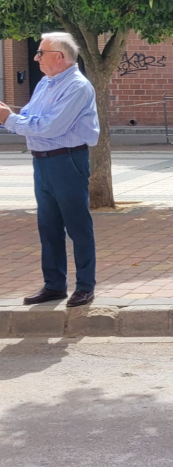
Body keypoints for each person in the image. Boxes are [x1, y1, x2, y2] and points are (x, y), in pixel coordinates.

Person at [0, 32, 99, 308]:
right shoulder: (46, 83)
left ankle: (85, 286)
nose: (36, 57)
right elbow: (32, 118)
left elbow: (49, 127)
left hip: (67, 160)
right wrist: (12, 117)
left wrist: (9, 119)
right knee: (49, 226)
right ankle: (54, 285)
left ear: (59, 57)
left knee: (77, 226)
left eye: (40, 53)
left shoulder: (78, 87)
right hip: (42, 161)